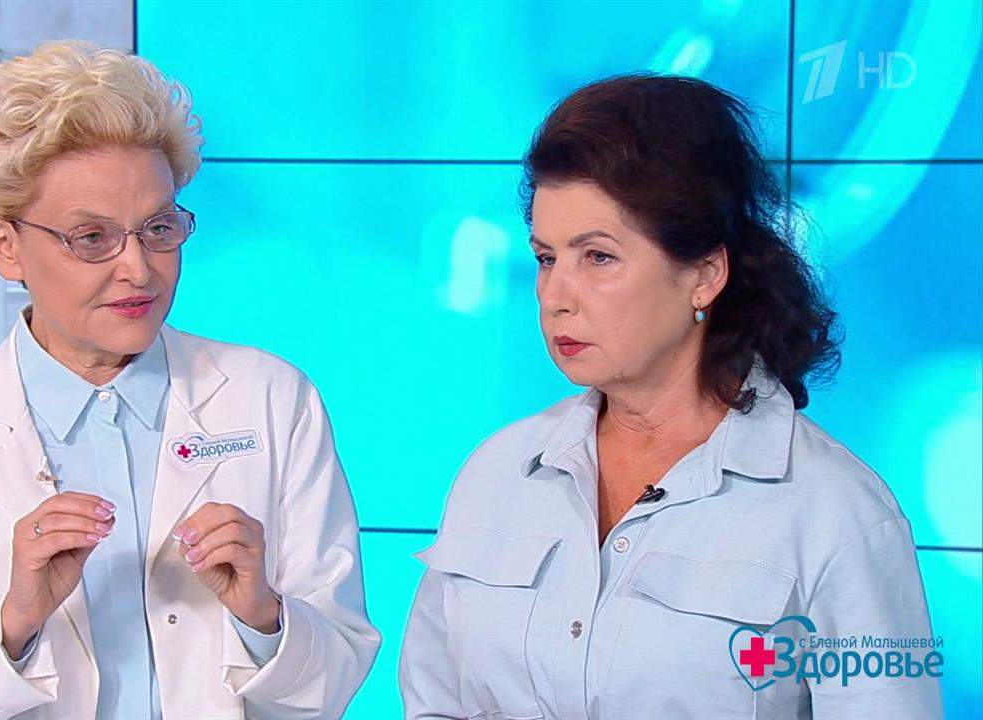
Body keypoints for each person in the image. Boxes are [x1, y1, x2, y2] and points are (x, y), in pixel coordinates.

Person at [0, 40, 378, 720]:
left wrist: (264, 618)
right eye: (92, 238)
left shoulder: (270, 398)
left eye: (159, 228)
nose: (139, 270)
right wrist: (12, 626)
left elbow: (338, 671)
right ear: (5, 246)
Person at [398, 74, 941, 719]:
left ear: (705, 274)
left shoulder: (837, 513)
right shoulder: (497, 473)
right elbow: (433, 702)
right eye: (547, 258)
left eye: (598, 258)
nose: (557, 296)